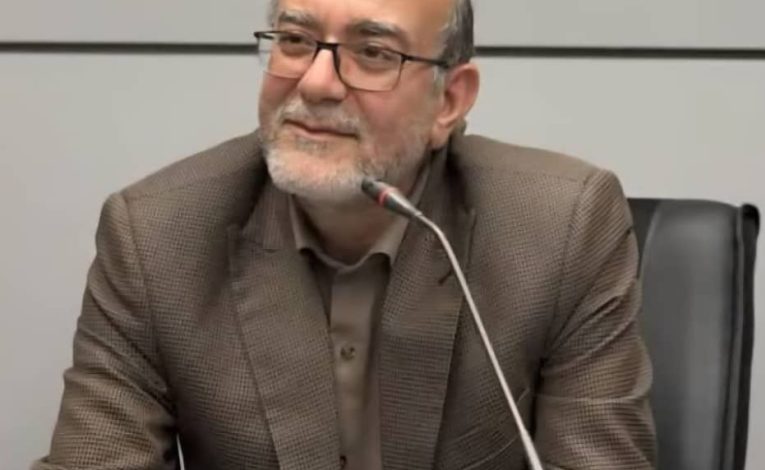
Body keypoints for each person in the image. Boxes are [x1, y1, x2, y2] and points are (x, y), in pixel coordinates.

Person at [34, 0, 656, 468]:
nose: (316, 82)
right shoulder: (156, 236)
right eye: (295, 40)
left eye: (374, 53)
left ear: (449, 100)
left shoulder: (559, 228)